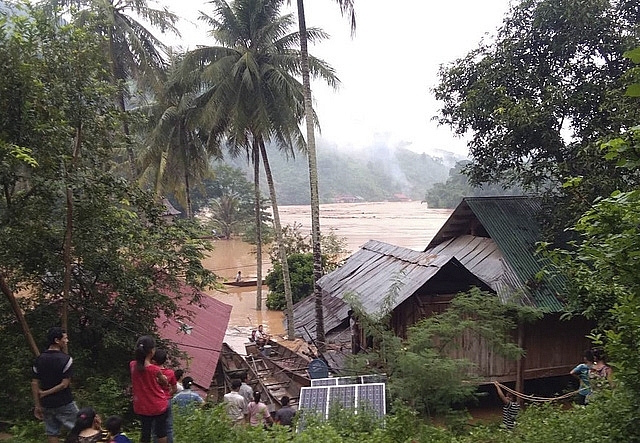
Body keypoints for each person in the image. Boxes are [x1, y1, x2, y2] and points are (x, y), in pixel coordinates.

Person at [32, 326, 79, 443]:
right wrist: (45, 393)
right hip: (64, 402)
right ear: (57, 341)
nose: (67, 341)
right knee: (81, 429)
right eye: (65, 338)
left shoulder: (39, 359)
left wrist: (38, 405)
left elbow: (34, 383)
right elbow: (64, 384)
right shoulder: (66, 360)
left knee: (52, 432)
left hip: (46, 404)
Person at [130, 335, 170, 443]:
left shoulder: (132, 365)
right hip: (158, 405)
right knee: (161, 431)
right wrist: (163, 379)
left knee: (145, 433)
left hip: (142, 406)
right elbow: (165, 383)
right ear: (152, 352)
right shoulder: (154, 369)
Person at [151, 349, 177, 443]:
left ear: (153, 360)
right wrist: (166, 396)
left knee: (155, 429)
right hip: (167, 400)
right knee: (168, 427)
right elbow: (174, 389)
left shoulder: (150, 371)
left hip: (154, 401)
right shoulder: (170, 373)